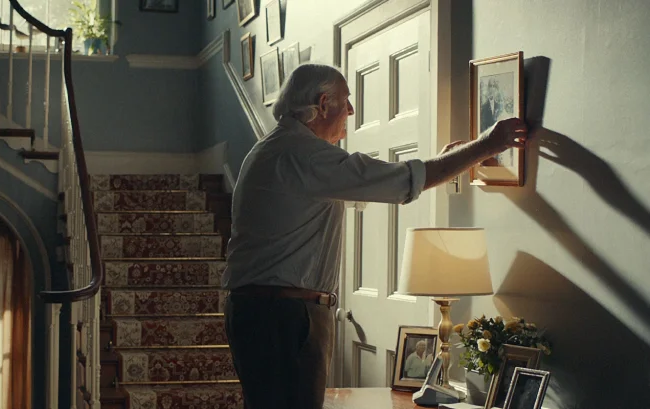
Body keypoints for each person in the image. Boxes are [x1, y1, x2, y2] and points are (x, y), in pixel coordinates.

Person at [222, 64, 528, 409]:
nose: (350, 111)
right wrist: (489, 144)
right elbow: (398, 182)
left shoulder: (278, 149)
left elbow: (374, 184)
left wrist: (444, 162)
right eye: (346, 100)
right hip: (282, 316)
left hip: (268, 310)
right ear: (324, 104)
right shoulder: (303, 154)